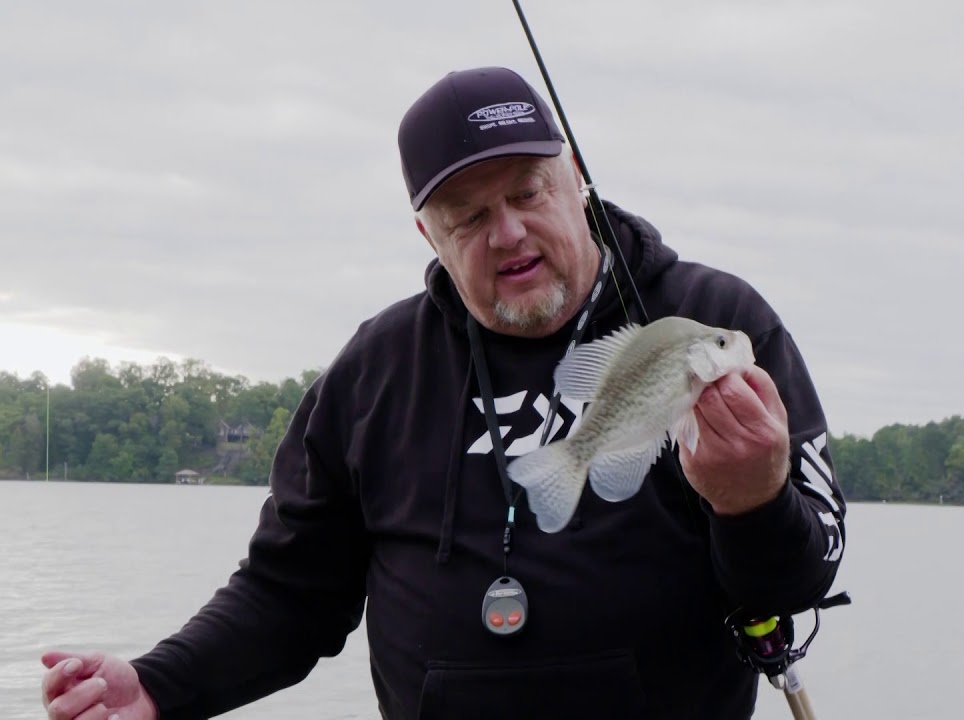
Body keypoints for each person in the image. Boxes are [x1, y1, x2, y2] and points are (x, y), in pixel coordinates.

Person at [39, 66, 847, 720]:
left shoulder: (717, 323)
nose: (508, 233)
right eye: (468, 215)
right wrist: (158, 685)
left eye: (528, 192)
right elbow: (289, 595)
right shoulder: (376, 370)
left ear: (575, 181)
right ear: (428, 233)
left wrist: (753, 502)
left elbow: (802, 577)